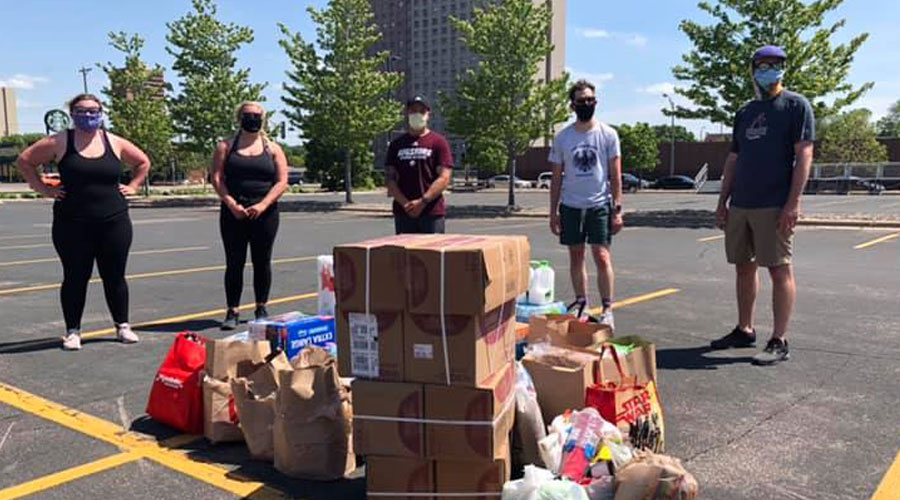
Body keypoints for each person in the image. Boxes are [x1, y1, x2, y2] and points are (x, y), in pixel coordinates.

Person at [15, 94, 150, 350]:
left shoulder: (114, 141)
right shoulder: (60, 141)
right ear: (72, 113)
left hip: (114, 221)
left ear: (101, 112)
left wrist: (133, 186)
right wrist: (45, 189)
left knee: (115, 276)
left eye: (93, 111)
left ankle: (122, 325)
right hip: (72, 223)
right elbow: (25, 161)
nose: (88, 115)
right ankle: (73, 331)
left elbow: (143, 162)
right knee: (76, 276)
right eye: (81, 111)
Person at [710, 45, 815, 366]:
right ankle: (745, 329)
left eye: (776, 64)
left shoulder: (795, 106)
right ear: (753, 69)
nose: (769, 70)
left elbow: (804, 155)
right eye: (763, 64)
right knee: (744, 267)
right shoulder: (745, 112)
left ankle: (779, 339)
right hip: (741, 203)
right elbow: (733, 159)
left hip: (774, 203)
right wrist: (722, 201)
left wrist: (792, 203)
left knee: (779, 268)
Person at [549, 80, 624, 328]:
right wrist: (553, 212)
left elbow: (615, 173)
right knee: (576, 255)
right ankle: (581, 302)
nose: (587, 104)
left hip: (599, 204)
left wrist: (617, 209)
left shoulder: (608, 134)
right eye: (581, 101)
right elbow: (557, 177)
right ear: (572, 105)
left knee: (602, 256)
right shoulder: (563, 138)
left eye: (590, 100)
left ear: (596, 103)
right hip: (571, 205)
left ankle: (607, 308)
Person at [212, 101, 289, 330]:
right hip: (234, 213)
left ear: (263, 119)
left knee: (262, 261)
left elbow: (282, 181)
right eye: (247, 115)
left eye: (256, 115)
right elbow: (216, 178)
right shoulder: (225, 146)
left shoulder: (273, 148)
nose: (252, 118)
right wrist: (231, 203)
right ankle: (232, 310)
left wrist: (264, 204)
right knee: (234, 262)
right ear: (239, 118)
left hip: (264, 213)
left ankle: (261, 307)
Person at [385, 96, 453, 234]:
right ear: (407, 114)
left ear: (428, 115)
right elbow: (390, 179)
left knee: (432, 254)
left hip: (431, 212)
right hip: (404, 213)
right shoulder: (396, 144)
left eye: (421, 111)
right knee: (405, 254)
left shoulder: (438, 142)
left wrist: (423, 202)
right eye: (413, 111)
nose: (417, 114)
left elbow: (444, 178)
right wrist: (405, 204)